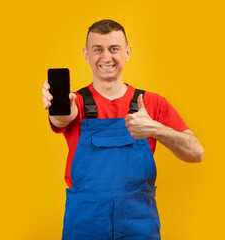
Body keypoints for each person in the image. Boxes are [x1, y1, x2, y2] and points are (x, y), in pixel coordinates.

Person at [42, 19, 204, 240]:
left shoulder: (151, 103)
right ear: (86, 55)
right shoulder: (75, 102)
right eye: (97, 49)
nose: (106, 57)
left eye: (114, 49)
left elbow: (196, 153)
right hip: (83, 228)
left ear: (127, 53)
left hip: (139, 229)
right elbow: (61, 119)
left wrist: (156, 129)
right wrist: (60, 111)